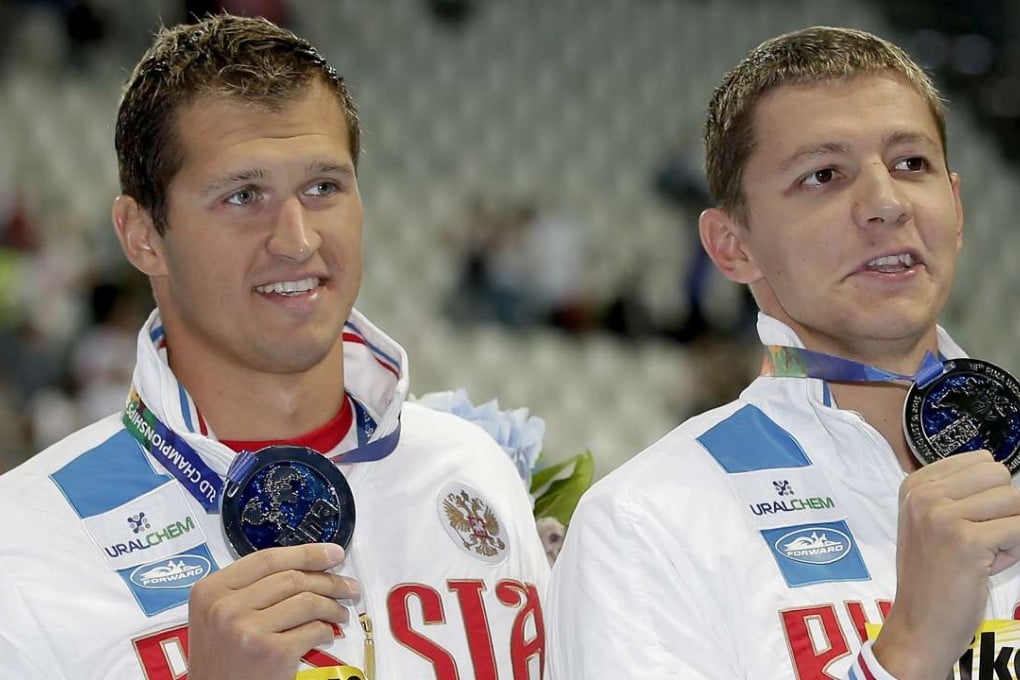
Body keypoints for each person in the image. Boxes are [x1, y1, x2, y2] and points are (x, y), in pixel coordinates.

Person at [0, 15, 548, 680]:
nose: (297, 239)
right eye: (243, 195)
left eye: (323, 187)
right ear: (142, 234)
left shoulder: (472, 471)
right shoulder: (27, 542)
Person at [546, 26, 1020, 679]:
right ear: (731, 245)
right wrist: (905, 653)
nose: (886, 202)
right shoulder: (646, 525)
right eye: (823, 175)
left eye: (911, 164)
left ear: (957, 206)